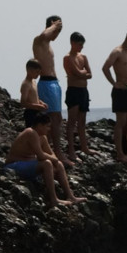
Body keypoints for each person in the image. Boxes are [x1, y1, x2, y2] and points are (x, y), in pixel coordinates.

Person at [5, 112, 87, 208]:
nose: (49, 129)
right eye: (47, 126)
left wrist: (55, 161)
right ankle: (54, 200)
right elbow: (41, 155)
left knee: (59, 164)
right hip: (13, 166)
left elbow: (51, 154)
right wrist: (53, 160)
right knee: (47, 163)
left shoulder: (42, 137)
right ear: (40, 125)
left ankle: (70, 196)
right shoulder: (31, 132)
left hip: (28, 164)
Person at [32, 16, 70, 165]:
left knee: (57, 118)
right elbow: (43, 35)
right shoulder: (39, 41)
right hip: (46, 83)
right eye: (56, 31)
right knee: (51, 118)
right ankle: (55, 153)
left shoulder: (48, 45)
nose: (57, 34)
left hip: (53, 83)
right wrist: (54, 26)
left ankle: (52, 151)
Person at [102, 28, 127, 164]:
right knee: (121, 122)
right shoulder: (117, 52)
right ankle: (120, 153)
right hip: (121, 91)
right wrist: (114, 83)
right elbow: (105, 67)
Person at [63, 32, 95, 161]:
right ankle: (71, 151)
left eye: (82, 45)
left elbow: (90, 74)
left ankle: (84, 147)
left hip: (84, 91)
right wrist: (82, 73)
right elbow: (77, 73)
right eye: (79, 44)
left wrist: (81, 73)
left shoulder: (83, 57)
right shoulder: (67, 57)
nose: (81, 47)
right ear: (72, 43)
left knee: (82, 121)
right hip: (73, 91)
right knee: (72, 121)